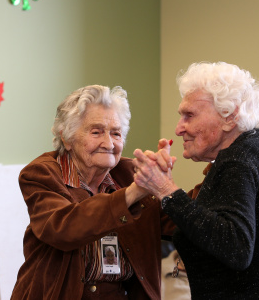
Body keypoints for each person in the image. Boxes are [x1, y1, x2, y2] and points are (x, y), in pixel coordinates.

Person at [133, 62, 259, 299]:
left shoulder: (238, 160)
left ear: (230, 116)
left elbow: (234, 248)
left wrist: (166, 189)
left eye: (189, 115)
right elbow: (216, 225)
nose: (178, 128)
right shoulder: (257, 147)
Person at [11, 85, 173, 300]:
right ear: (67, 138)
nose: (108, 143)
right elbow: (62, 227)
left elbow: (177, 222)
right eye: (96, 132)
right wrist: (134, 193)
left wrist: (213, 162)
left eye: (116, 133)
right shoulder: (42, 173)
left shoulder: (128, 174)